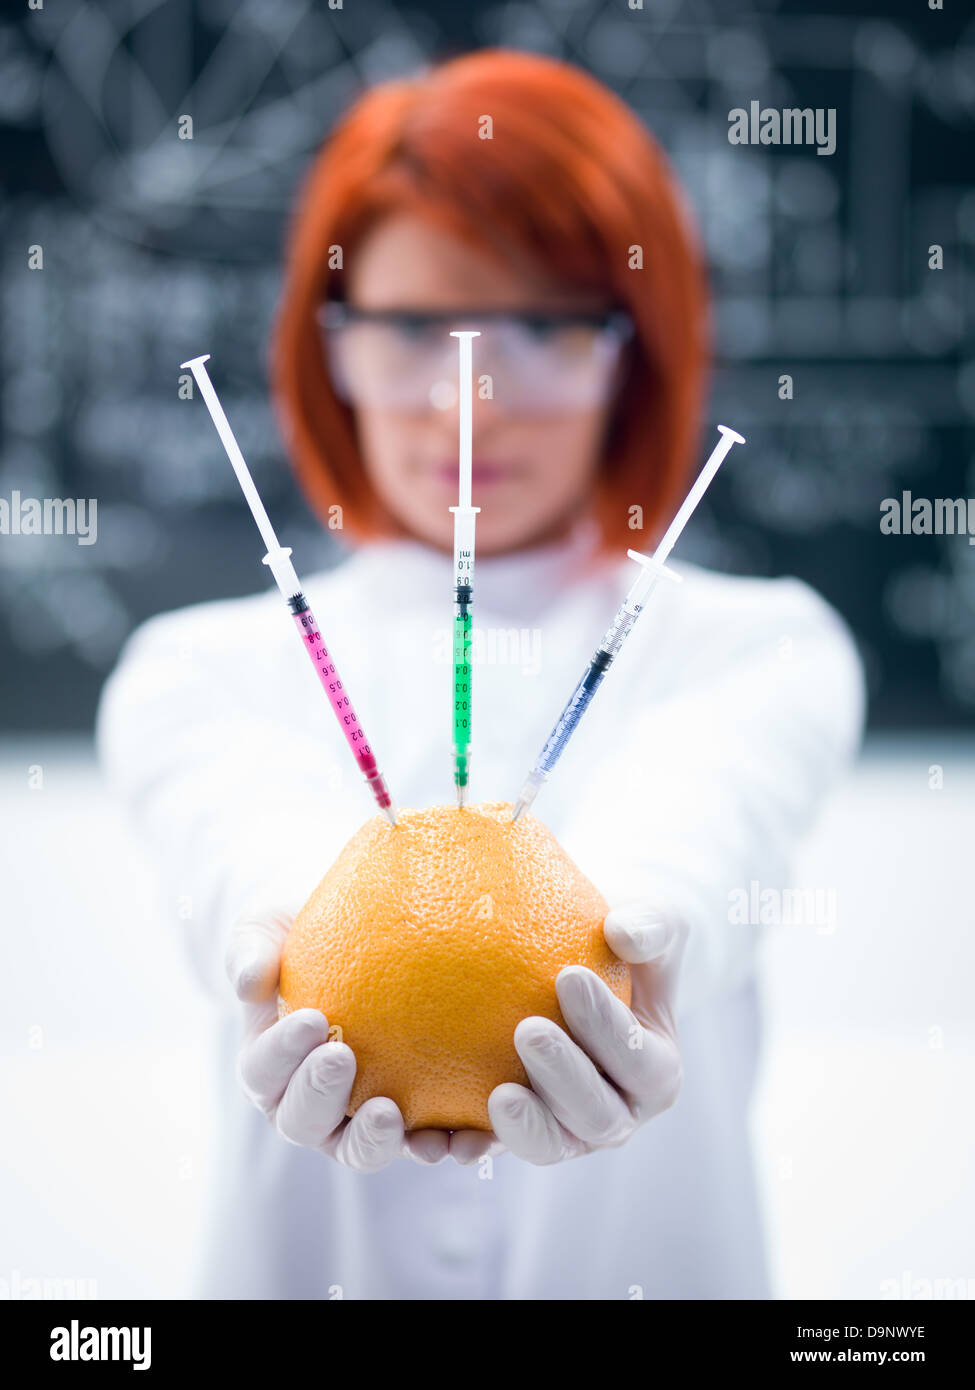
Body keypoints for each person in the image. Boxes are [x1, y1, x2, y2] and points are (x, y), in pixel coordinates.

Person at [97, 50, 864, 1300]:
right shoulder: (193, 671)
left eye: (552, 324)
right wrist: (297, 951)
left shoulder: (761, 643)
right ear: (327, 348)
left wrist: (640, 959)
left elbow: (705, 829)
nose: (475, 399)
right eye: (413, 330)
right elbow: (249, 850)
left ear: (635, 351)